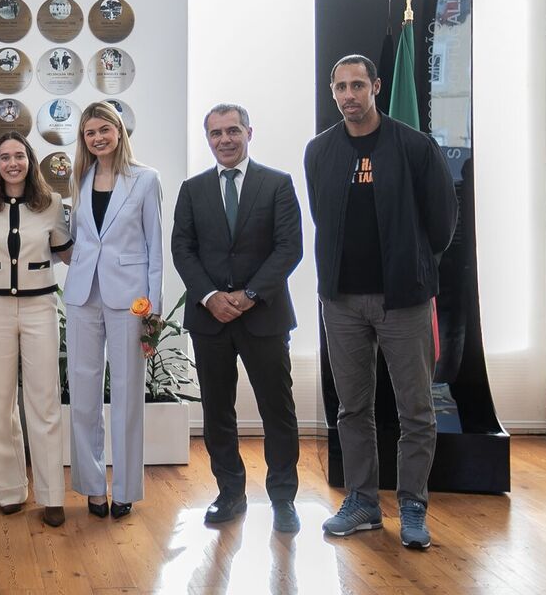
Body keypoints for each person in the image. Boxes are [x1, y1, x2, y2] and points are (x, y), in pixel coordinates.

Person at [306, 54, 457, 550]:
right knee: (353, 408)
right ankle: (363, 502)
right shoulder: (320, 151)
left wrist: (411, 264)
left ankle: (413, 505)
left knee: (416, 410)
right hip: (342, 301)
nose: (349, 95)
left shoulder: (414, 146)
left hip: (404, 300)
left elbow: (442, 221)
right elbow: (321, 215)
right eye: (340, 87)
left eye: (357, 85)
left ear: (376, 86)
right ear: (333, 93)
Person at [171, 104, 303, 532]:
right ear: (207, 139)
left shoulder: (277, 184)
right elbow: (182, 250)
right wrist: (210, 296)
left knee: (277, 411)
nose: (224, 140)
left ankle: (283, 499)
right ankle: (230, 494)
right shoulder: (192, 190)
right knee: (217, 412)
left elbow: (289, 248)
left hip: (263, 317)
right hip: (210, 321)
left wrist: (247, 297)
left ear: (249, 132)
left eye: (232, 131)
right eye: (215, 134)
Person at [62, 101, 163, 519]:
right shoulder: (79, 179)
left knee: (126, 396)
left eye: (105, 129)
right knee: (83, 394)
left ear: (119, 132)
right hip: (83, 295)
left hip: (129, 300)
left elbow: (155, 249)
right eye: (90, 133)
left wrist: (153, 312)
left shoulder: (145, 179)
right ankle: (92, 487)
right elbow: (77, 238)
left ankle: (124, 489)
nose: (98, 137)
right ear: (84, 139)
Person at [0, 132, 73, 527]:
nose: (12, 163)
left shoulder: (52, 205)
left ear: (30, 161)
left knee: (44, 400)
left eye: (19, 156)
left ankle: (51, 495)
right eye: (4, 158)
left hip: (39, 307)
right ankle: (10, 490)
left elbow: (68, 253)